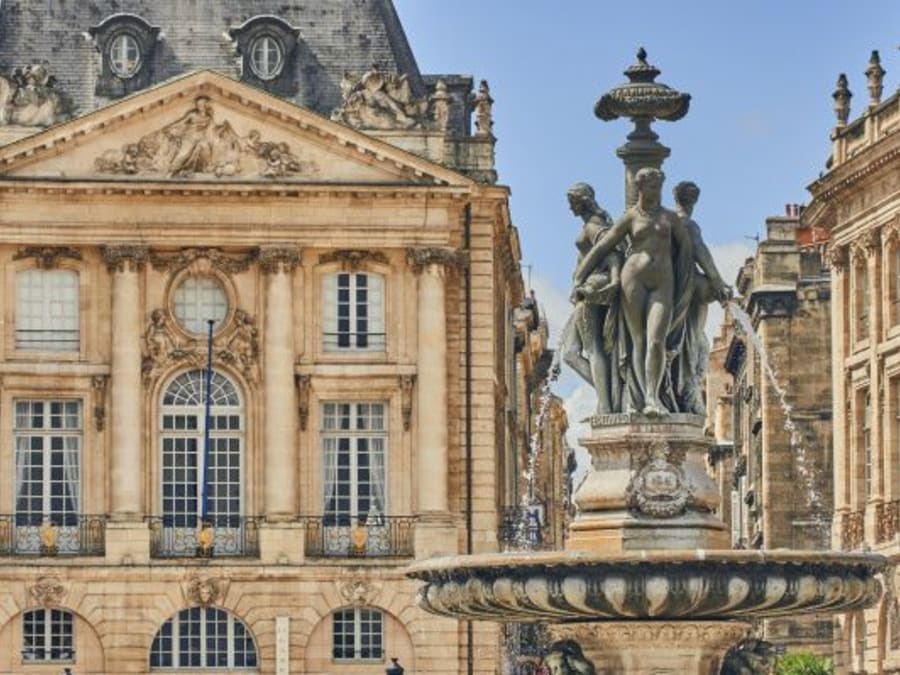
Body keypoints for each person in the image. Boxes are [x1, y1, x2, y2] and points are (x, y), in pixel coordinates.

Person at [575, 167, 692, 416]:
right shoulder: (630, 217)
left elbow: (692, 251)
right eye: (652, 187)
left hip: (663, 283)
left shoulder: (670, 218)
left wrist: (714, 279)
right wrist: (579, 278)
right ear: (640, 188)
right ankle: (640, 398)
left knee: (656, 340)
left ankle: (653, 397)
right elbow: (602, 248)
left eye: (659, 188)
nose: (656, 193)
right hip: (633, 280)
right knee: (637, 341)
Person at [561, 182, 623, 414]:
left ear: (582, 201)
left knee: (592, 348)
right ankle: (608, 397)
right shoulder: (594, 223)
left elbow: (612, 251)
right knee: (571, 353)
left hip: (591, 289)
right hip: (589, 288)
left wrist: (614, 280)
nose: (570, 209)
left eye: (571, 203)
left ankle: (607, 405)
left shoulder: (594, 226)